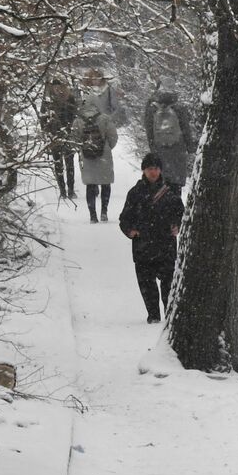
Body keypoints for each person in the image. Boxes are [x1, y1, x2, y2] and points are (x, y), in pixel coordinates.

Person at [118, 153, 184, 323]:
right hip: (143, 247)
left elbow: (181, 213)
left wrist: (177, 225)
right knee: (147, 285)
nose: (153, 172)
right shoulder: (135, 193)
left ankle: (170, 317)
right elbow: (125, 218)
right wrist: (130, 231)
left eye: (155, 169)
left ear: (160, 170)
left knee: (169, 285)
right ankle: (153, 316)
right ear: (143, 171)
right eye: (149, 169)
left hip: (166, 246)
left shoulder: (171, 191)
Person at [71, 83, 119, 222]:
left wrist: (83, 148)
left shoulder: (78, 120)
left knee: (90, 185)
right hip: (104, 155)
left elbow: (74, 139)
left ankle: (92, 215)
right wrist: (107, 148)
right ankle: (104, 211)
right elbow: (113, 137)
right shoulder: (104, 118)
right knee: (106, 183)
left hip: (87, 156)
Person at [142, 83, 197, 190]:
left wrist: (153, 149)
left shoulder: (152, 109)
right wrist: (190, 148)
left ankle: (161, 204)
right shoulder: (179, 108)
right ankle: (176, 203)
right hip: (177, 151)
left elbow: (149, 131)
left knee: (160, 184)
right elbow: (186, 129)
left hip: (160, 151)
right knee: (175, 185)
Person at [41, 77, 77, 199]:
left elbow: (74, 115)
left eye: (59, 86)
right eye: (54, 87)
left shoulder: (69, 98)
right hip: (54, 135)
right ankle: (62, 190)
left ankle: (71, 189)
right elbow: (43, 117)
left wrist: (70, 128)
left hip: (67, 134)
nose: (57, 89)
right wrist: (46, 132)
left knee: (69, 163)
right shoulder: (47, 100)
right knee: (58, 163)